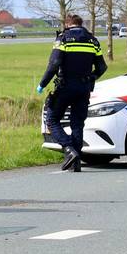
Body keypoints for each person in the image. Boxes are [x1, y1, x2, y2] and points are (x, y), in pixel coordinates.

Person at [38, 14, 107, 172]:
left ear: (67, 24)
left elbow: (54, 64)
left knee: (52, 119)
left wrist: (42, 84)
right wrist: (91, 78)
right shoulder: (93, 41)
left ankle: (69, 149)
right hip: (84, 88)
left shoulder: (63, 39)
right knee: (77, 124)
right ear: (81, 24)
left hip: (65, 86)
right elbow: (102, 67)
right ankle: (75, 164)